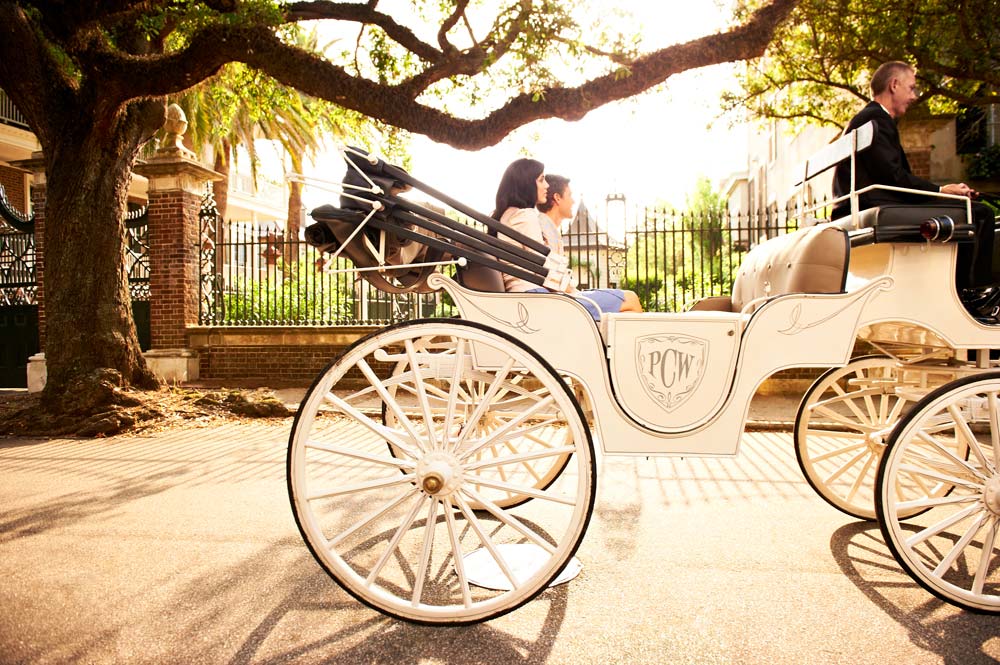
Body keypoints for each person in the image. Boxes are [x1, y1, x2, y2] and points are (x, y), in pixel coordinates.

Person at [833, 61, 998, 296]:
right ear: (894, 85)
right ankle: (972, 293)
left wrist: (941, 191)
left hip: (864, 201)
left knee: (968, 207)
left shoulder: (868, 119)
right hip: (877, 201)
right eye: (911, 88)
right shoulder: (876, 120)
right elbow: (894, 178)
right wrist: (941, 190)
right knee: (980, 213)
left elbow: (891, 176)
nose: (914, 96)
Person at [491, 159, 643, 319]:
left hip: (532, 294)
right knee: (630, 300)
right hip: (536, 296)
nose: (546, 186)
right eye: (541, 179)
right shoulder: (525, 216)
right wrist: (575, 293)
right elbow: (543, 266)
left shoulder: (507, 215)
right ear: (527, 182)